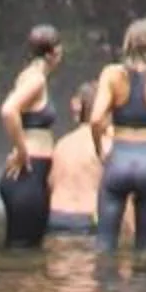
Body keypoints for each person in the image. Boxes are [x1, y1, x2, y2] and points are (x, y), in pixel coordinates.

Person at [90, 16, 146, 254]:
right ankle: (145, 275)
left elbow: (96, 119)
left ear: (127, 42)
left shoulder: (111, 74)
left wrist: (100, 149)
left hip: (119, 156)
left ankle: (104, 277)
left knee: (104, 246)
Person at [0, 23, 63, 247]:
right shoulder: (36, 79)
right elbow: (8, 110)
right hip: (28, 172)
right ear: (53, 52)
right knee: (24, 251)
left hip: (30, 175)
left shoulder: (28, 75)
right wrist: (22, 150)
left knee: (23, 251)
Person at [50, 83, 101, 234]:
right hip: (87, 216)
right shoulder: (106, 144)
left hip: (55, 215)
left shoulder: (62, 144)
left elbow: (50, 183)